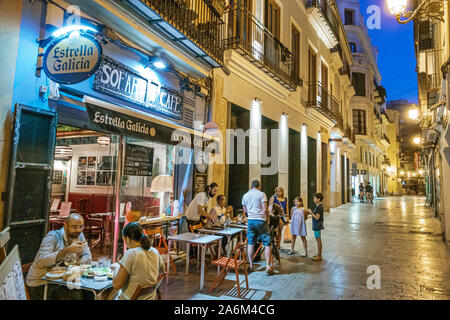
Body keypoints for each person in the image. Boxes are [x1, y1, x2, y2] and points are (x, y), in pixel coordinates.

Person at [26, 213, 92, 300]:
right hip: (40, 283)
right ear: (65, 226)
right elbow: (41, 261)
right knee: (73, 294)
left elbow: (88, 256)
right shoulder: (53, 237)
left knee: (89, 293)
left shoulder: (79, 235)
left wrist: (78, 263)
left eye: (81, 227)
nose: (78, 230)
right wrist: (66, 251)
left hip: (60, 281)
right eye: (74, 227)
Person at [109, 222, 165, 300]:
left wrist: (116, 268)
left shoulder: (131, 254)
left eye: (124, 239)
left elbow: (116, 285)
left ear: (128, 239)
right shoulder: (155, 251)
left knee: (107, 294)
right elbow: (163, 271)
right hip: (150, 298)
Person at [242, 180, 274, 275]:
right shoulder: (261, 194)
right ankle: (268, 266)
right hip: (260, 220)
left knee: (251, 242)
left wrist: (250, 216)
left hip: (251, 221)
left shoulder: (245, 195)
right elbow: (265, 209)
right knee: (267, 243)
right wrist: (268, 217)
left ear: (251, 186)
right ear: (259, 186)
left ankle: (251, 266)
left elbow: (245, 210)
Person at [305, 193, 324, 261]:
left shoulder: (319, 207)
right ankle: (318, 254)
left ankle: (319, 255)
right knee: (317, 240)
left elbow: (317, 218)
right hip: (317, 225)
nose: (313, 199)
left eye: (314, 198)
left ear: (318, 199)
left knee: (318, 240)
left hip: (317, 226)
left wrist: (311, 212)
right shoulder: (318, 206)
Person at [268, 186, 288, 251]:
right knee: (273, 231)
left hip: (282, 216)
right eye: (277, 191)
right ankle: (272, 244)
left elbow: (287, 208)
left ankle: (278, 244)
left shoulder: (285, 199)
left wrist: (287, 217)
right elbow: (270, 208)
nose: (278, 193)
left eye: (280, 191)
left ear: (282, 192)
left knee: (280, 231)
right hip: (275, 216)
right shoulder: (273, 198)